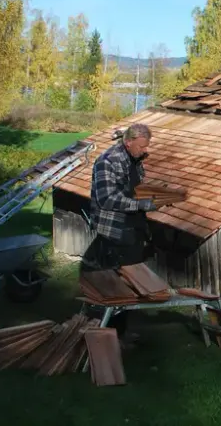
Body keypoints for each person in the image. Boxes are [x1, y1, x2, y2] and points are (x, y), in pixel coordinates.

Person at [81, 123, 164, 344]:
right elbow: (107, 199)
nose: (145, 150)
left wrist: (154, 196)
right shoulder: (107, 162)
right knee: (114, 284)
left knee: (130, 282)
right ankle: (107, 335)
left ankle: (122, 331)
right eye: (142, 146)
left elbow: (136, 188)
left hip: (132, 226)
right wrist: (141, 206)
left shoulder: (133, 159)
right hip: (113, 229)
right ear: (128, 142)